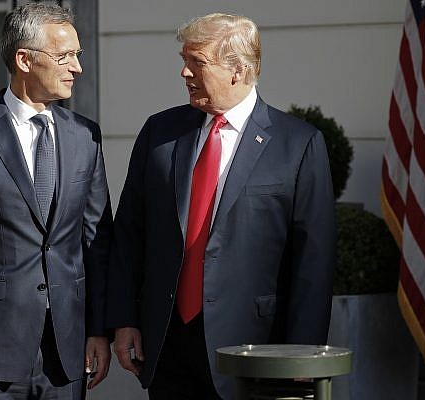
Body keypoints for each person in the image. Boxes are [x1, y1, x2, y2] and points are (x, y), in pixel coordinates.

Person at [106, 12, 336, 399]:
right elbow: (130, 233)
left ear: (238, 70)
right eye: (184, 60)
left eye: (197, 62)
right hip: (168, 345)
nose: (184, 72)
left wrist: (303, 355)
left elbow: (314, 261)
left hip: (255, 348)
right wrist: (124, 320)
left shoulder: (297, 144)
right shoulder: (159, 133)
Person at [0, 3, 112, 400]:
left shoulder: (86, 137)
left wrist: (100, 329)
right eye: (65, 56)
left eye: (77, 55)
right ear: (24, 59)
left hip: (68, 355)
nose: (77, 68)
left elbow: (98, 244)